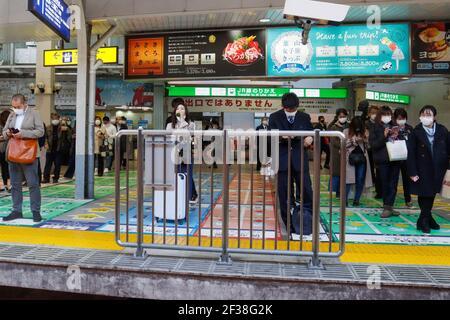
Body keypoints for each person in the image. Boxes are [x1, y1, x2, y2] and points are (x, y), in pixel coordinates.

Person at [269, 92, 313, 236]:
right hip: (282, 161)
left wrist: (309, 138)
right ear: (283, 106)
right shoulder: (274, 117)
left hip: (300, 159)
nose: (291, 111)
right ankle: (288, 223)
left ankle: (306, 220)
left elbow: (311, 134)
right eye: (288, 109)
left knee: (306, 190)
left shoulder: (304, 117)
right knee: (284, 194)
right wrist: (281, 137)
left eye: (293, 109)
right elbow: (269, 139)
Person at [407, 105, 450, 233]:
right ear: (420, 116)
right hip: (422, 168)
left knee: (431, 193)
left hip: (438, 168)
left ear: (434, 117)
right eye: (423, 115)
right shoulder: (416, 132)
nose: (425, 117)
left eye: (428, 115)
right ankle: (425, 220)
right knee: (424, 193)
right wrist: (412, 171)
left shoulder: (442, 130)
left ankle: (425, 218)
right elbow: (411, 153)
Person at [2, 94, 44, 222]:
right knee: (15, 185)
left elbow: (40, 131)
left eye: (18, 106)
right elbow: (4, 132)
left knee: (33, 184)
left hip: (29, 153)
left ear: (25, 103)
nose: (15, 109)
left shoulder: (34, 113)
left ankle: (35, 211)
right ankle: (16, 211)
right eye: (13, 107)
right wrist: (8, 133)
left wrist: (23, 133)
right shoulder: (12, 114)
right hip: (13, 153)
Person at [369, 106, 401, 218]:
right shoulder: (374, 127)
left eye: (389, 114)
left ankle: (390, 206)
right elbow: (373, 145)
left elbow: (401, 140)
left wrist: (396, 136)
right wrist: (384, 136)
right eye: (384, 114)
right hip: (382, 160)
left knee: (394, 183)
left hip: (395, 158)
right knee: (386, 183)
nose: (387, 116)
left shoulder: (394, 126)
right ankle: (386, 207)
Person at [166, 98, 198, 204]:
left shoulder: (191, 124)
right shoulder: (169, 125)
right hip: (174, 153)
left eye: (182, 108)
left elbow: (191, 137)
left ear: (186, 111)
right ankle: (177, 196)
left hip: (187, 151)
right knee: (176, 174)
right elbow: (168, 138)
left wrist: (182, 122)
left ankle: (187, 198)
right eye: (178, 109)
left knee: (187, 175)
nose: (180, 110)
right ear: (174, 111)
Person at [344, 117, 372, 206]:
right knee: (348, 180)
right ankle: (345, 200)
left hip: (362, 158)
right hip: (350, 158)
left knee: (360, 179)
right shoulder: (346, 131)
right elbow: (343, 144)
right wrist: (353, 140)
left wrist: (365, 140)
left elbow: (369, 147)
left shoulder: (365, 132)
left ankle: (357, 199)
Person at [43, 113, 72, 184]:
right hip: (50, 149)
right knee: (47, 165)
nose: (54, 120)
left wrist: (67, 129)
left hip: (58, 149)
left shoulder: (63, 128)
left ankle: (56, 178)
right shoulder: (48, 127)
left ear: (58, 119)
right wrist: (45, 143)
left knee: (57, 165)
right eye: (53, 118)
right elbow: (45, 137)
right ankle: (46, 178)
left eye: (56, 119)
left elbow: (69, 137)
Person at [393, 108, 414, 207]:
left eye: (403, 118)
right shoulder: (392, 128)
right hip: (396, 157)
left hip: (407, 158)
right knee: (394, 180)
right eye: (399, 118)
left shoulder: (410, 128)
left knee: (407, 180)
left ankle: (408, 199)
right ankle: (391, 200)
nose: (401, 120)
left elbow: (413, 142)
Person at [329, 108, 349, 199]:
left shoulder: (349, 125)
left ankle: (344, 191)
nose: (342, 118)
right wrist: (345, 145)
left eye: (344, 116)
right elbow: (333, 141)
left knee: (347, 173)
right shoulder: (334, 127)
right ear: (337, 117)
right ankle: (337, 191)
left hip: (348, 153)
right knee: (337, 173)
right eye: (341, 116)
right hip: (337, 154)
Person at [366, 105, 382, 199]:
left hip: (378, 149)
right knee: (370, 170)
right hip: (369, 150)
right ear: (369, 114)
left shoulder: (381, 123)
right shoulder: (366, 123)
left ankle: (379, 190)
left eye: (376, 113)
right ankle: (372, 186)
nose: (374, 115)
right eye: (372, 113)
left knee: (379, 171)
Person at [0, 110, 11, 191]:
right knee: (4, 168)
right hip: (1, 149)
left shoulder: (10, 126)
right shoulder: (1, 126)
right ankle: (3, 184)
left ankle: (7, 184)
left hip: (8, 150)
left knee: (6, 168)